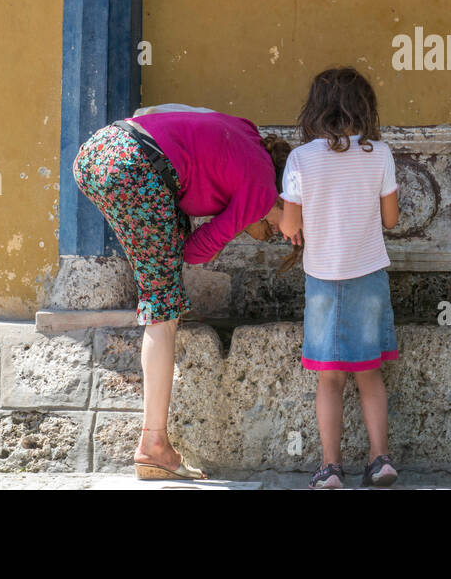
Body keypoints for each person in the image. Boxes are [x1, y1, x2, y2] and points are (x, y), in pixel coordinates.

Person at [72, 104, 291, 480]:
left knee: (164, 287)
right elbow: (194, 252)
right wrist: (237, 222)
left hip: (101, 150)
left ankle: (154, 444)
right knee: (163, 309)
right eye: (277, 229)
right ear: (285, 199)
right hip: (137, 168)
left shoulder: (247, 131)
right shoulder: (262, 192)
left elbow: (165, 114)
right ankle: (153, 445)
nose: (276, 236)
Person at [278, 68, 400, 489]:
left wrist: (299, 225)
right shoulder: (380, 154)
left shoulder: (300, 159)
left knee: (329, 377)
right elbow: (391, 218)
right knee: (370, 373)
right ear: (364, 107)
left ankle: (331, 468)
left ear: (315, 108)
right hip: (368, 274)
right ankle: (380, 459)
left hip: (323, 279)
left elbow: (289, 223)